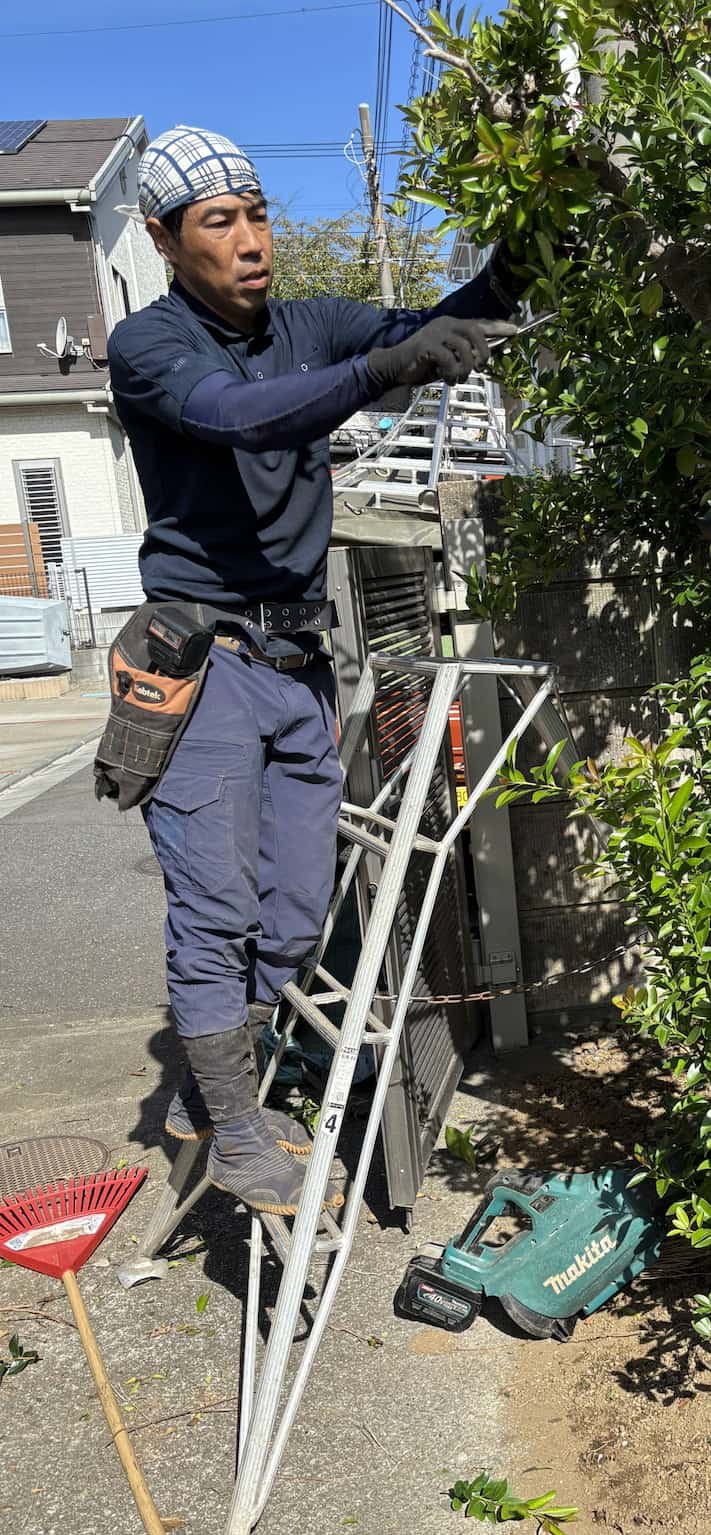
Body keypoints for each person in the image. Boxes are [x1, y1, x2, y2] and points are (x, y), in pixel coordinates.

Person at [106, 125, 519, 1217]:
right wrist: (381, 371)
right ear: (164, 238)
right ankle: (236, 1127)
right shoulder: (150, 347)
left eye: (257, 214)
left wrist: (523, 262)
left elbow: (439, 327)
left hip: (297, 657)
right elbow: (244, 419)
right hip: (201, 661)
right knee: (216, 908)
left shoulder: (309, 325)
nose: (250, 240)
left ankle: (212, 1082)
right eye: (218, 222)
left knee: (290, 917)